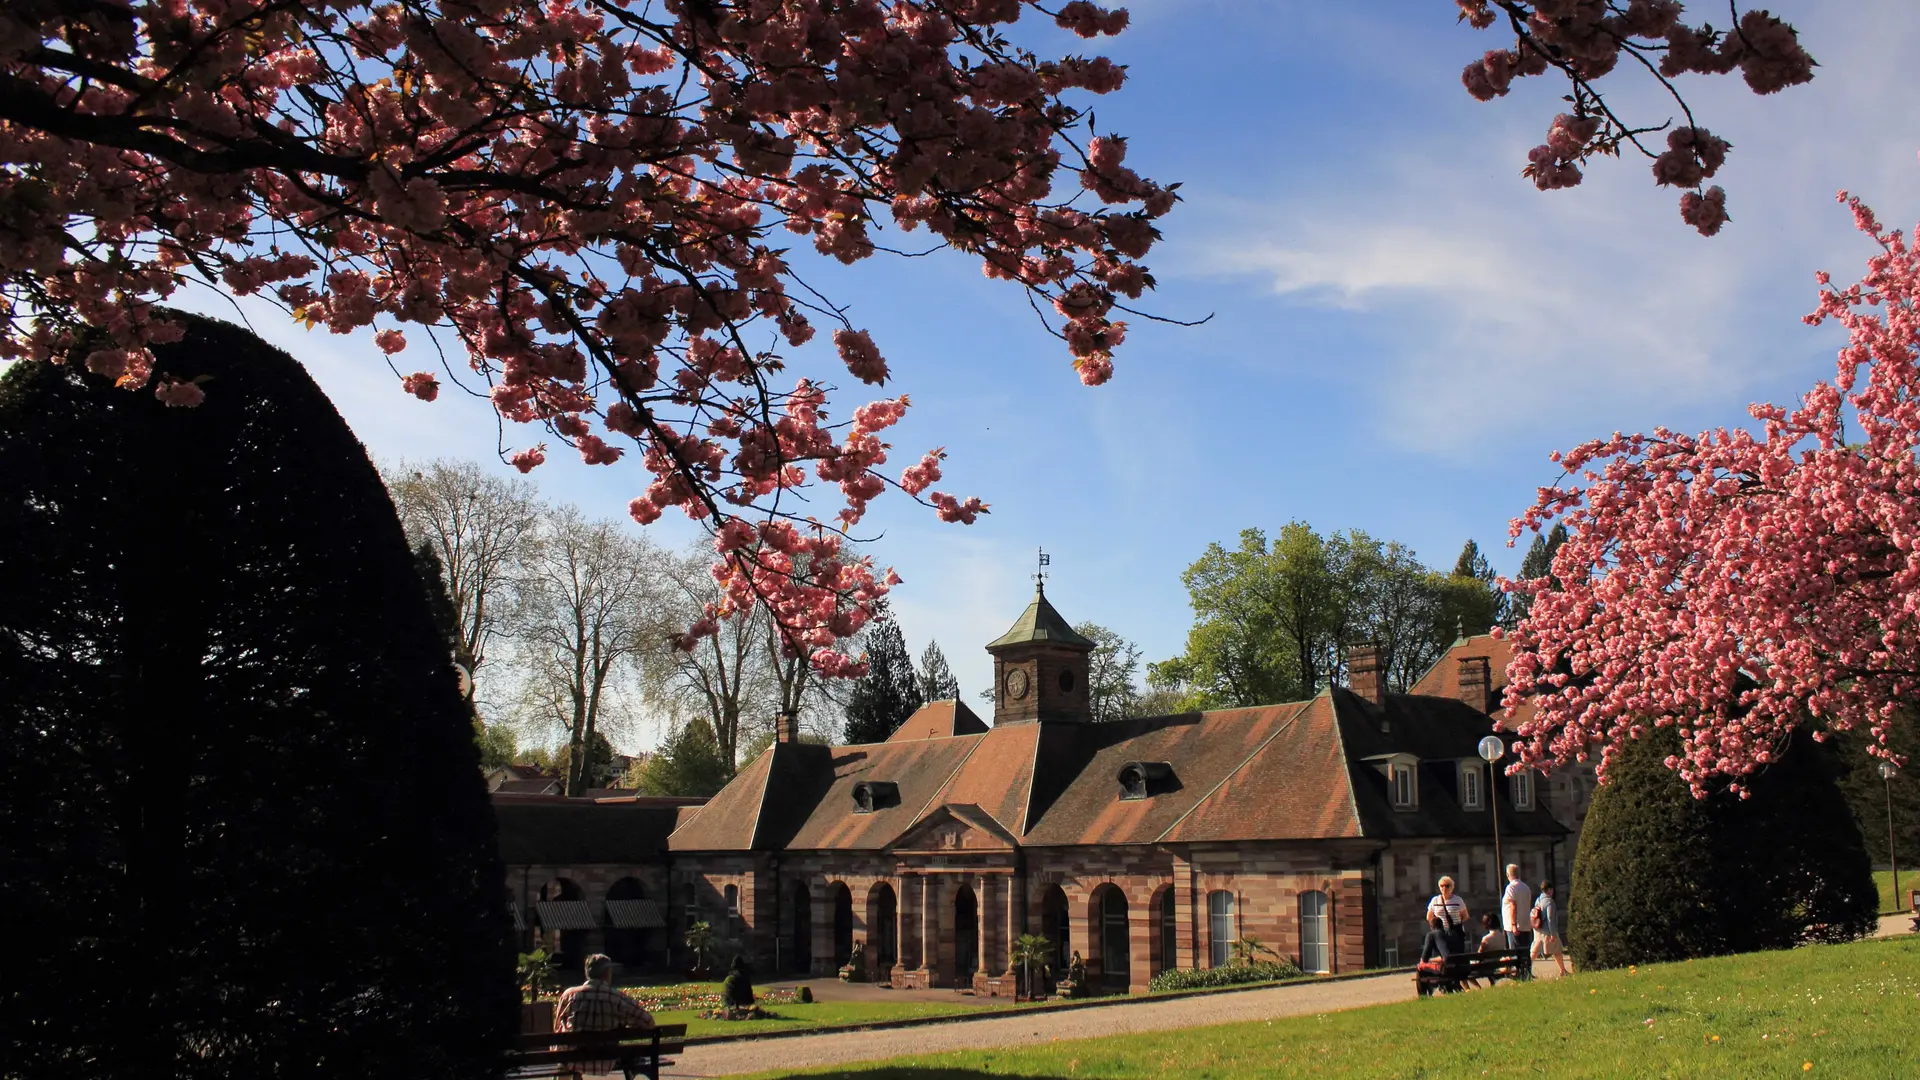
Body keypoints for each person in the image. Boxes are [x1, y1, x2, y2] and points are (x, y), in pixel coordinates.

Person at [555, 953, 655, 1074]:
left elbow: (557, 1027)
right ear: (607, 973)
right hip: (606, 1061)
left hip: (573, 1060)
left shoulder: (569, 995)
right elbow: (649, 1022)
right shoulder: (617, 998)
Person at [1531, 882, 1569, 976]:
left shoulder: (1538, 900)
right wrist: (1553, 933)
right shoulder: (1549, 901)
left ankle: (1525, 967)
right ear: (1549, 890)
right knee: (1557, 950)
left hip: (1538, 930)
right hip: (1547, 931)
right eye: (1551, 890)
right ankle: (1562, 970)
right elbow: (1550, 918)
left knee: (1535, 951)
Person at [1426, 876, 1469, 954]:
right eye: (1442, 886)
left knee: (1457, 954)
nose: (1444, 888)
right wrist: (1436, 928)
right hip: (1441, 933)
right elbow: (1429, 917)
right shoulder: (1435, 900)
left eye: (1447, 885)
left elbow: (1465, 916)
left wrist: (1456, 923)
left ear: (1452, 887)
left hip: (1455, 933)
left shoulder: (1458, 900)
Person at [1501, 864, 1533, 960]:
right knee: (1525, 951)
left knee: (1515, 952)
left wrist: (1514, 924)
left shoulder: (1511, 888)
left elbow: (1513, 905)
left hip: (1514, 926)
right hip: (1525, 925)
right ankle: (1526, 971)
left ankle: (1518, 972)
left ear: (1508, 875)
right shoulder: (1526, 887)